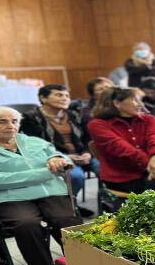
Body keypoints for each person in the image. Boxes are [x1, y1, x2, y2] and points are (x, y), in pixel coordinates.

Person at [0, 106, 81, 265]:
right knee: (26, 223)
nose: (11, 125)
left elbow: (61, 157)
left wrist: (57, 159)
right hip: (6, 198)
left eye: (14, 121)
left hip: (49, 193)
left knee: (65, 219)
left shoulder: (31, 141)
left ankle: (83, 260)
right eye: (2, 122)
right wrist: (46, 173)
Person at [19, 84, 100, 217]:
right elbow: (37, 145)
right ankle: (68, 206)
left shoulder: (74, 114)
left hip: (82, 154)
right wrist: (65, 156)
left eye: (67, 96)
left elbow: (87, 137)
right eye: (59, 95)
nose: (65, 98)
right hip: (55, 157)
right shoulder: (31, 118)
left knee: (105, 168)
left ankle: (108, 202)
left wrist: (87, 152)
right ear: (43, 98)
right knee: (75, 176)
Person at [87, 87, 155, 194]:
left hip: (154, 170)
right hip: (122, 176)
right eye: (135, 100)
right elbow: (121, 148)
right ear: (117, 103)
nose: (141, 105)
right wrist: (153, 164)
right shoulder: (97, 125)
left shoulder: (149, 119)